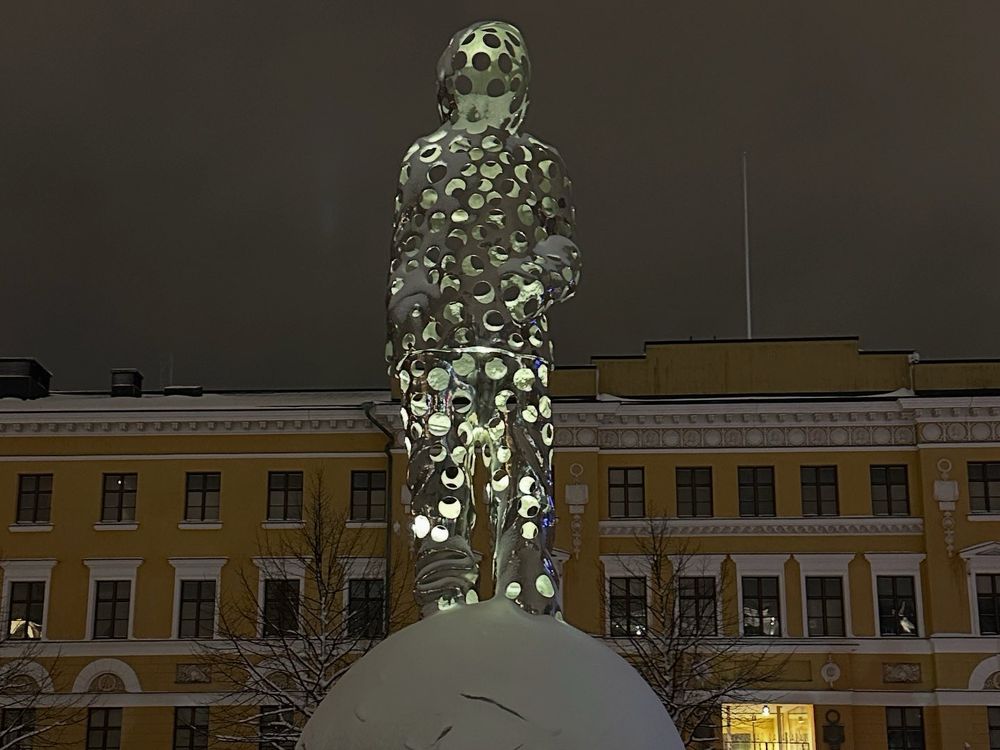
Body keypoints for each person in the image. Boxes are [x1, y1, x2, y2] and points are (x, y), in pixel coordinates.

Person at [386, 20, 581, 617]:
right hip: (438, 362)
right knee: (437, 478)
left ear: (516, 96)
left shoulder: (539, 164)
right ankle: (443, 599)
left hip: (516, 355)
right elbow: (408, 250)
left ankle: (524, 601)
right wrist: (406, 310)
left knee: (523, 477)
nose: (480, 101)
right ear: (450, 88)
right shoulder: (423, 161)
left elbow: (564, 252)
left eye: (495, 88)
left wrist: (533, 284)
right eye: (469, 86)